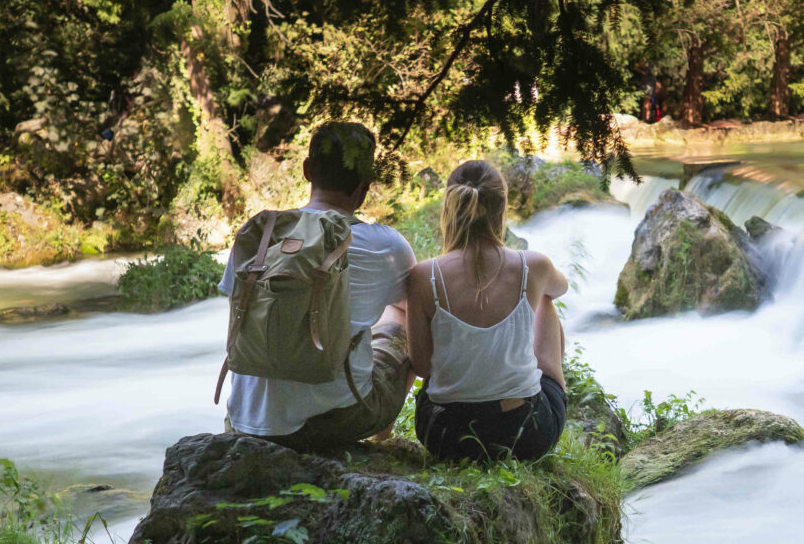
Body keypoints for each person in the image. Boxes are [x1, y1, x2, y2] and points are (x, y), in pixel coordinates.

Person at [217, 121, 415, 447]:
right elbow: (418, 313)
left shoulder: (259, 235)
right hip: (331, 422)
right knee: (403, 318)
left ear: (307, 170)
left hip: (245, 422)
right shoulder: (386, 246)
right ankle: (381, 442)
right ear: (365, 185)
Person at [407, 160, 569, 463]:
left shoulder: (423, 276)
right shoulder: (533, 265)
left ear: (450, 207)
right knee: (545, 299)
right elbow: (561, 288)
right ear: (503, 207)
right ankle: (541, 386)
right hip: (525, 434)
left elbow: (422, 366)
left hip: (446, 435)